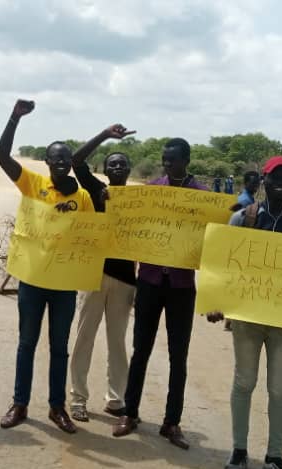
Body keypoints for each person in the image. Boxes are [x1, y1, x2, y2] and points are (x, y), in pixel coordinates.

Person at [205, 156, 282, 469]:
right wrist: (217, 304)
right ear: (264, 181)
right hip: (248, 317)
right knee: (244, 383)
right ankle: (239, 450)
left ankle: (274, 456)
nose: (279, 182)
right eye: (274, 177)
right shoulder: (244, 218)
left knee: (280, 388)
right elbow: (224, 265)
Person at [0, 99, 95, 435]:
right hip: (33, 281)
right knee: (27, 343)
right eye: (56, 159)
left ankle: (57, 408)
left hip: (65, 284)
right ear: (47, 162)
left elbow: (90, 237)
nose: (62, 163)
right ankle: (19, 403)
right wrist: (14, 119)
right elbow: (2, 158)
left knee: (60, 347)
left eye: (66, 159)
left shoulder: (81, 198)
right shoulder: (33, 184)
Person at [111, 138, 208, 450]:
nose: (167, 165)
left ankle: (171, 422)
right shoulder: (152, 190)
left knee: (178, 357)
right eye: (164, 160)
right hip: (150, 281)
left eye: (173, 160)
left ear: (187, 160)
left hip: (182, 286)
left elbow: (216, 235)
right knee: (141, 350)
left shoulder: (203, 197)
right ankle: (131, 413)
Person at [66, 124, 136, 423]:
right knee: (84, 338)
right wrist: (105, 135)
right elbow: (75, 162)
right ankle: (78, 398)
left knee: (118, 343)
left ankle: (116, 399)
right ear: (104, 170)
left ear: (130, 170)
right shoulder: (95, 189)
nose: (117, 166)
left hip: (124, 280)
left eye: (122, 163)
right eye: (112, 164)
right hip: (92, 275)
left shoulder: (140, 203)